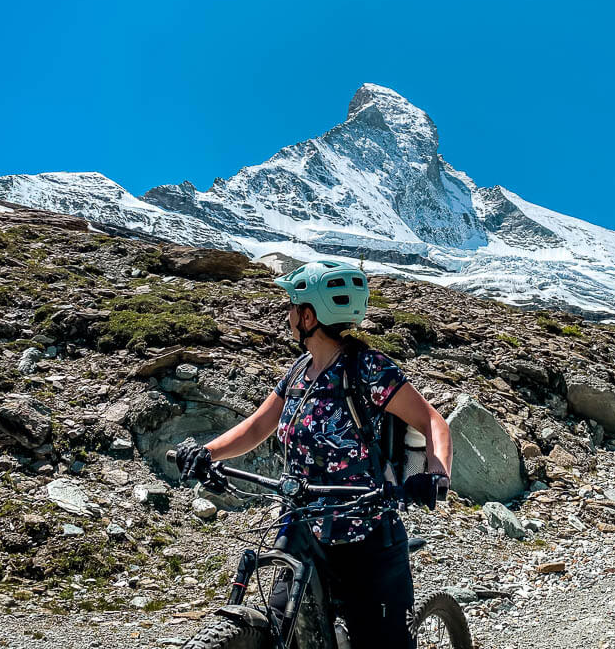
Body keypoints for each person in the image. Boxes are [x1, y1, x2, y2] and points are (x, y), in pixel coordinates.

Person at [176, 260, 453, 648]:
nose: (287, 315)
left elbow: (432, 422)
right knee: (281, 630)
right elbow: (257, 427)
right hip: (302, 522)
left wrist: (436, 476)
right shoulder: (297, 373)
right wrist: (207, 452)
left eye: (292, 306)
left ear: (309, 316)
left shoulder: (368, 369)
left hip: (367, 530)